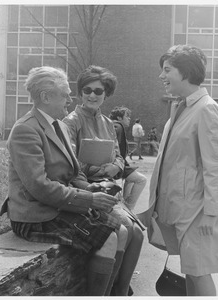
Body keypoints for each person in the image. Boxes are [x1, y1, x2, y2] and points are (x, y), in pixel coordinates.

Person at [0, 66, 130, 296]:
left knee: (124, 232)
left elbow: (74, 170)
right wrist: (89, 199)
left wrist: (88, 187)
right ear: (46, 97)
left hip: (56, 206)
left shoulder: (57, 124)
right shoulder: (25, 130)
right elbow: (39, 188)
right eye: (65, 94)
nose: (70, 100)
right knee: (110, 238)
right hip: (34, 215)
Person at [146, 45, 218, 296]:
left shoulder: (207, 109)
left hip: (198, 213)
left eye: (167, 70)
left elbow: (217, 167)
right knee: (192, 270)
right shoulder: (182, 108)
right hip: (183, 210)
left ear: (186, 72)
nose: (161, 76)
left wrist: (211, 214)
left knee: (199, 272)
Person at [63, 65, 144, 296]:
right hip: (86, 188)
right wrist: (97, 169)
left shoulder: (109, 124)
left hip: (108, 186)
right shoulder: (71, 122)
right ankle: (110, 291)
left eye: (98, 91)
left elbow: (119, 155)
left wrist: (115, 166)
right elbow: (70, 162)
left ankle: (120, 289)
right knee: (127, 228)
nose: (92, 95)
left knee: (138, 233)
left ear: (105, 94)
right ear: (80, 92)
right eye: (87, 90)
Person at [109, 106, 147, 211]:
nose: (129, 119)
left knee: (130, 180)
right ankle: (129, 208)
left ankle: (124, 206)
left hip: (118, 163)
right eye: (127, 116)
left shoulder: (112, 125)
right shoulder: (118, 127)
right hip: (117, 164)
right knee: (141, 180)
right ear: (119, 117)